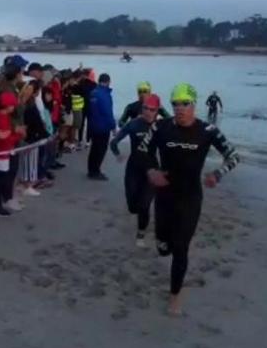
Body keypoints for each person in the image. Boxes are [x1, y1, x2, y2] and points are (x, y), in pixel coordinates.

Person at [139, 82, 240, 316]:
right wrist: (151, 171)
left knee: (181, 248)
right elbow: (143, 151)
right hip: (164, 196)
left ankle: (174, 297)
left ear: (194, 105)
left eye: (185, 104)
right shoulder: (161, 127)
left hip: (190, 197)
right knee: (164, 247)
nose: (180, 108)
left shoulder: (208, 131)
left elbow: (233, 156)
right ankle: (162, 243)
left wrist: (218, 174)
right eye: (175, 104)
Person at [111, 93, 162, 248]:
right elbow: (114, 142)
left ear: (157, 111)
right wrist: (118, 155)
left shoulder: (161, 127)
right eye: (145, 108)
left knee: (144, 205)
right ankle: (136, 211)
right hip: (133, 168)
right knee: (133, 206)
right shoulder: (133, 124)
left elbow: (172, 148)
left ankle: (141, 233)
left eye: (152, 110)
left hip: (151, 170)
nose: (148, 112)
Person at [0, 92, 23, 217]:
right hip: (1, 153)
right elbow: (5, 139)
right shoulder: (2, 118)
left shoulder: (0, 116)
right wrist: (18, 134)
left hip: (0, 152)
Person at [20, 80, 48, 196]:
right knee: (29, 161)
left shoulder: (31, 104)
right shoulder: (28, 106)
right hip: (31, 137)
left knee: (32, 160)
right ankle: (27, 185)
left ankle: (28, 183)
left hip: (35, 135)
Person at [87, 73, 115, 181]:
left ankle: (91, 170)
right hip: (103, 126)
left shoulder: (93, 93)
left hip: (93, 125)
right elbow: (107, 112)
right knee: (101, 149)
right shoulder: (104, 95)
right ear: (108, 82)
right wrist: (113, 126)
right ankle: (96, 171)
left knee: (94, 148)